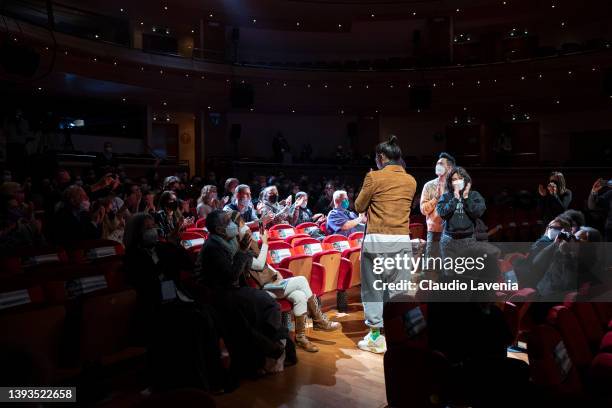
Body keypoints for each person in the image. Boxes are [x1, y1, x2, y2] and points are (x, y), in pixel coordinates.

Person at [230, 211, 340, 352]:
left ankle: (300, 338)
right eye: (242, 224)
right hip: (262, 289)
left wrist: (276, 273)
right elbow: (258, 264)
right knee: (301, 280)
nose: (246, 227)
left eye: (244, 223)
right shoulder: (239, 248)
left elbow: (265, 266)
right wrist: (265, 243)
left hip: (272, 282)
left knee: (300, 296)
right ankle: (318, 320)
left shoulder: (249, 244)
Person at [195, 210, 286, 375]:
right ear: (219, 229)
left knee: (269, 304)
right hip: (216, 294)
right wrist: (243, 250)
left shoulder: (229, 242)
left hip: (232, 290)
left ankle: (270, 347)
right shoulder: (213, 247)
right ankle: (271, 349)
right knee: (259, 306)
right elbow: (230, 277)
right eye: (227, 221)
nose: (233, 225)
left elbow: (247, 267)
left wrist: (244, 249)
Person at [354, 135, 417, 354]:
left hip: (377, 240)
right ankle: (399, 333)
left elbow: (359, 206)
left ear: (381, 157)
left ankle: (375, 338)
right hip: (401, 240)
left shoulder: (374, 177)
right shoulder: (411, 180)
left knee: (373, 289)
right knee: (398, 290)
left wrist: (369, 182)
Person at [436, 166, 486, 275]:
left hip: (468, 241)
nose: (457, 181)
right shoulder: (446, 196)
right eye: (454, 179)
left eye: (460, 178)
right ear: (450, 182)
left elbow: (478, 212)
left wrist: (466, 197)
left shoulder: (474, 195)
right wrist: (454, 198)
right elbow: (442, 213)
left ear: (465, 180)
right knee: (450, 276)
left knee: (468, 276)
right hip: (449, 241)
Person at [419, 152, 455, 275]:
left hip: (452, 233)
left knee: (449, 270)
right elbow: (423, 210)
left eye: (441, 164)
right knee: (431, 269)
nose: (437, 166)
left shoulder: (456, 186)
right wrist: (436, 198)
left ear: (449, 168)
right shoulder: (428, 186)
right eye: (437, 163)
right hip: (434, 232)